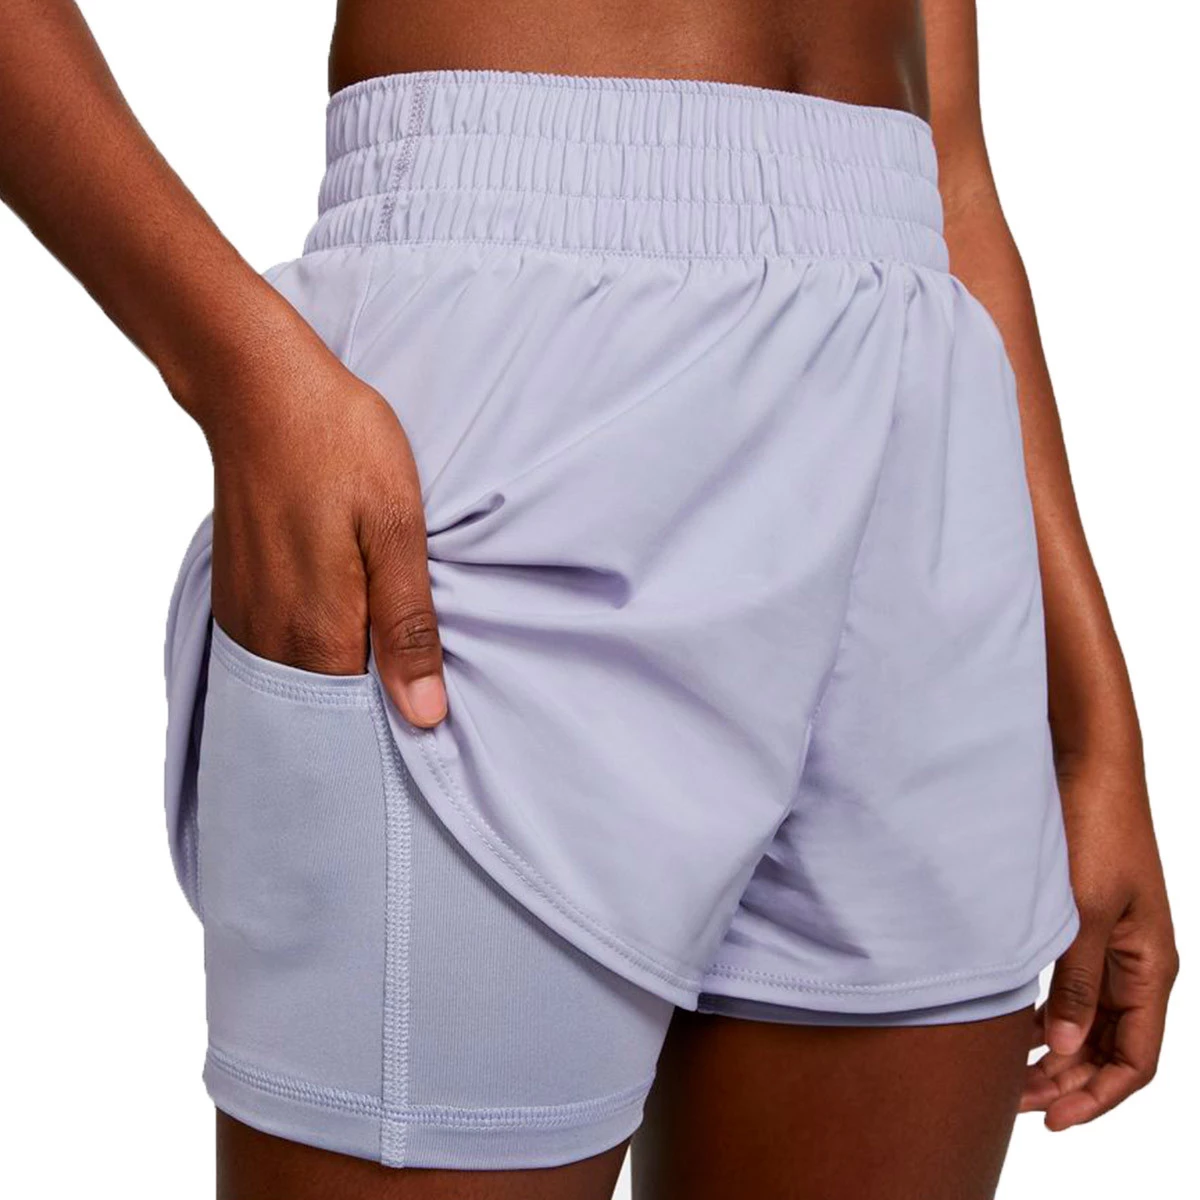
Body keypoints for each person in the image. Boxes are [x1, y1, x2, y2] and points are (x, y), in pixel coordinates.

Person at [0, 2, 1179, 1198]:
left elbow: (952, 167)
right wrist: (246, 379)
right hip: (518, 379)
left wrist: (1095, 736)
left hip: (915, 413)